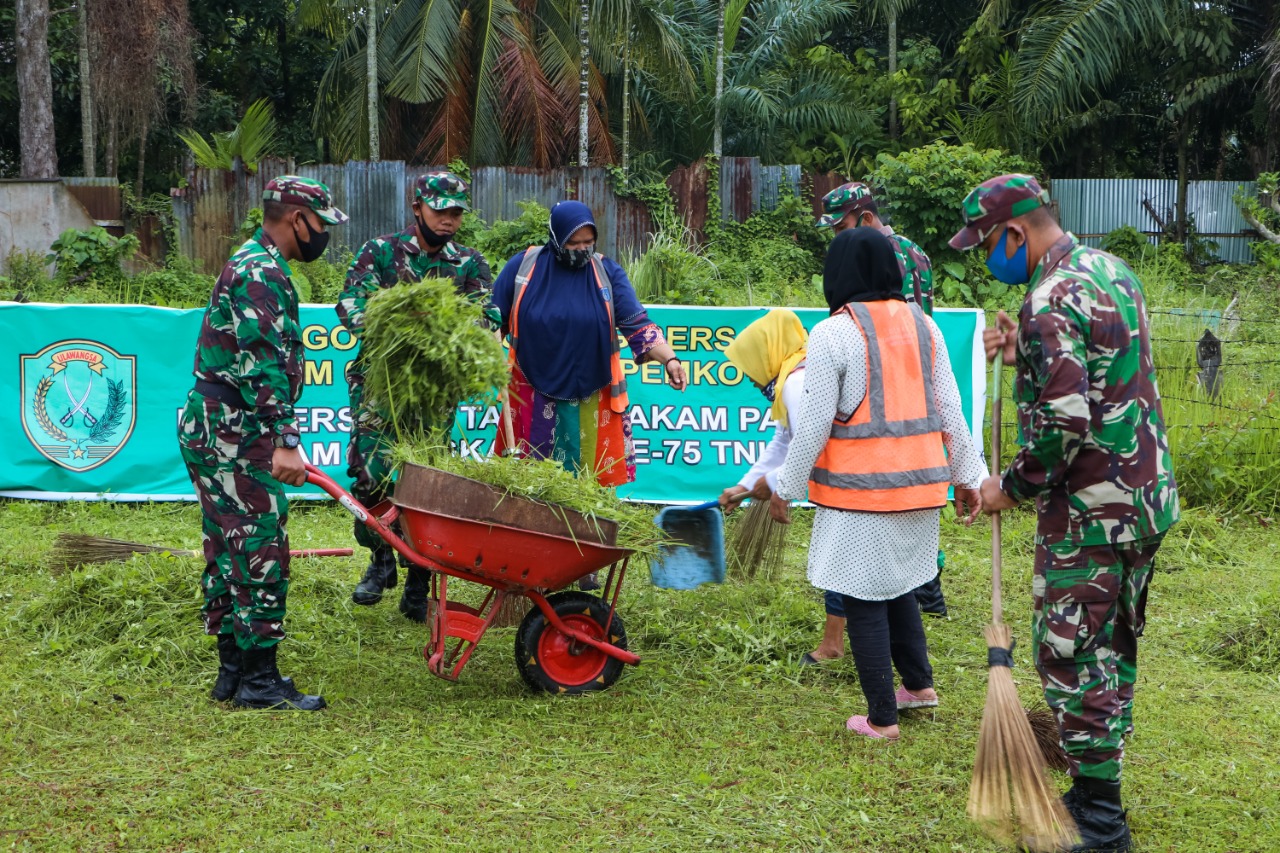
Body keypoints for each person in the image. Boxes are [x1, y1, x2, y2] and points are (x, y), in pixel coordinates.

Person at [954, 174, 1179, 853]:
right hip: (1143, 498)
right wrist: (1026, 352)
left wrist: (1008, 487)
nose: (988, 257)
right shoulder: (1109, 269)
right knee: (1111, 644)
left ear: (1017, 233)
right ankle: (1090, 789)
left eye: (989, 243)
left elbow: (1063, 421)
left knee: (1071, 652)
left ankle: (1102, 824)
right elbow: (1105, 365)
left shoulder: (1048, 298)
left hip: (1092, 511)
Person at [766, 228, 985, 740]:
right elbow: (951, 411)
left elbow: (814, 423)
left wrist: (784, 486)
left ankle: (882, 719)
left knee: (862, 597)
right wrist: (969, 478)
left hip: (860, 493)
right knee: (903, 585)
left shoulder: (833, 334)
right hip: (922, 489)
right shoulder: (923, 325)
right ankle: (918, 686)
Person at [178, 175, 347, 711]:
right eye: (321, 224)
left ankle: (232, 673)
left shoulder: (252, 261)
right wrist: (284, 440)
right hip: (236, 428)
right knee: (259, 547)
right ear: (297, 219)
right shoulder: (261, 273)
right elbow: (262, 365)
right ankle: (258, 682)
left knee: (228, 545)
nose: (324, 236)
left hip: (216, 422)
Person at [491, 201, 687, 583]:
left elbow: (637, 322)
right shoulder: (524, 268)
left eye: (589, 242)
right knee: (532, 482)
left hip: (590, 396)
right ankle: (531, 557)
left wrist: (670, 359)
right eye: (574, 243)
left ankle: (583, 561)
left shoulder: (605, 271)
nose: (582, 250)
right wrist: (490, 350)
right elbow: (492, 316)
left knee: (588, 482)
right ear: (555, 239)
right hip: (532, 392)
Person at [336, 172, 492, 621]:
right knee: (369, 477)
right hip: (380, 386)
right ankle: (381, 559)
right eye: (441, 210)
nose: (449, 220)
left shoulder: (468, 262)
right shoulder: (381, 252)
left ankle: (420, 582)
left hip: (436, 392)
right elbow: (350, 306)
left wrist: (451, 325)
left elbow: (488, 314)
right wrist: (406, 319)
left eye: (456, 212)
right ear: (418, 207)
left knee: (426, 486)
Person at [717, 309, 808, 512]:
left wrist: (775, 483)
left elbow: (808, 445)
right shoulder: (793, 378)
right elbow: (783, 442)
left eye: (750, 364)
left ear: (766, 356)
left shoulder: (797, 383)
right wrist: (745, 486)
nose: (750, 378)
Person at [817, 181, 934, 315]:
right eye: (835, 229)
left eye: (842, 227)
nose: (837, 236)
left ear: (866, 218)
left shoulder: (865, 258)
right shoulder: (917, 251)